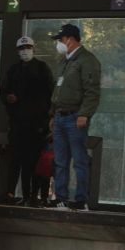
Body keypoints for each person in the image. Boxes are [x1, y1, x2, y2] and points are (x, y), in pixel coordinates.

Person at [50, 24, 101, 211]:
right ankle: (61, 198)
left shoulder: (87, 60)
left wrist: (85, 114)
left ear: (69, 39)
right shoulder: (65, 61)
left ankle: (81, 200)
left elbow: (92, 91)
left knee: (79, 160)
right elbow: (58, 90)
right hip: (60, 116)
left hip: (75, 117)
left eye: (60, 40)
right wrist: (53, 114)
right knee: (60, 161)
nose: (58, 44)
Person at [0, 36, 54, 206]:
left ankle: (30, 195)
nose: (25, 51)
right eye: (22, 48)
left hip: (36, 125)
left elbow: (49, 94)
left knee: (32, 162)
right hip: (17, 124)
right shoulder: (13, 70)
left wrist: (47, 120)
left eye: (28, 47)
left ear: (34, 48)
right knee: (15, 161)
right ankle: (10, 193)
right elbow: (3, 91)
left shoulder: (42, 68)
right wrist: (8, 98)